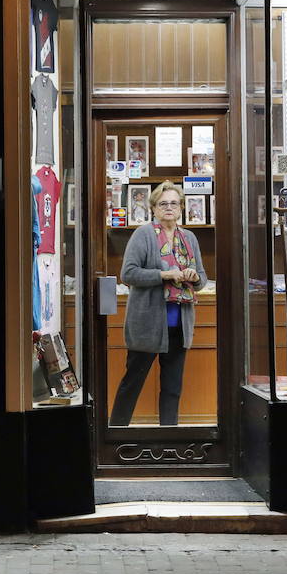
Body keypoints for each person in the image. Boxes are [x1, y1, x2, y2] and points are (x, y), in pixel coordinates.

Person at [110, 181, 208, 426]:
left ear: (182, 207)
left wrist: (194, 278)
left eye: (174, 203)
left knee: (173, 388)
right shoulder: (143, 234)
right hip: (147, 324)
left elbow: (202, 278)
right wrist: (164, 275)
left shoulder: (189, 237)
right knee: (132, 383)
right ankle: (116, 433)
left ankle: (169, 437)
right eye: (163, 203)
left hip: (179, 325)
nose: (169, 208)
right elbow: (128, 274)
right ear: (153, 208)